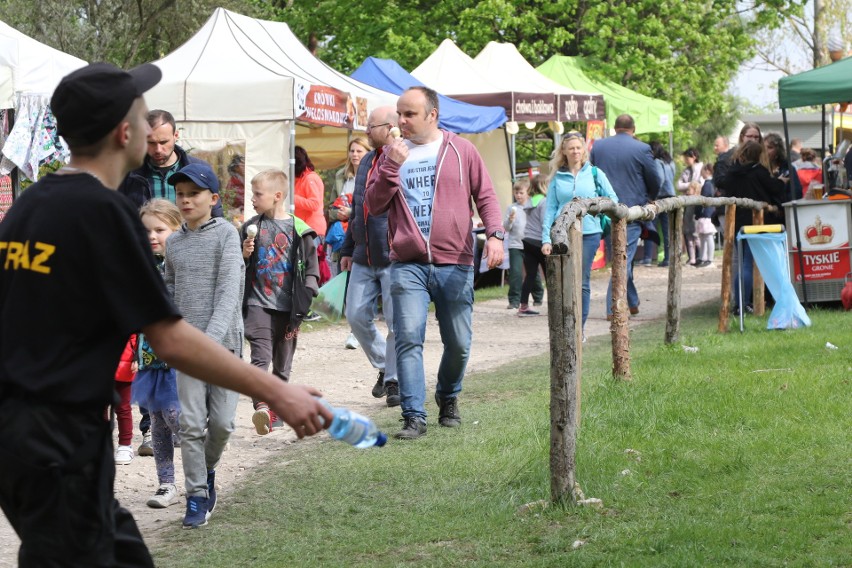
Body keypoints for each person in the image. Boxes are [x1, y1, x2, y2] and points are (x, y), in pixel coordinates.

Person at [0, 62, 331, 567]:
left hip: (23, 433)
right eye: (141, 111)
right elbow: (171, 337)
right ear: (124, 131)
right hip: (57, 437)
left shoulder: (29, 207)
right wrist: (275, 389)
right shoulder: (104, 213)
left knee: (121, 552)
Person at [364, 86, 504, 440]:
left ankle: (448, 396)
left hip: (455, 260)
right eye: (399, 113)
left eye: (409, 114)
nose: (402, 121)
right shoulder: (391, 155)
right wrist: (392, 166)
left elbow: (485, 195)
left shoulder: (461, 150)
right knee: (409, 337)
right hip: (407, 263)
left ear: (432, 115)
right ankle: (413, 416)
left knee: (458, 342)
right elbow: (375, 205)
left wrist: (497, 235)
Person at [163, 162, 243, 529]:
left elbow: (229, 291)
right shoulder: (173, 243)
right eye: (180, 194)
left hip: (223, 346)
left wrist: (209, 341)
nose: (185, 200)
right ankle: (196, 495)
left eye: (193, 194)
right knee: (192, 425)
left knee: (223, 424)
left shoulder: (227, 235)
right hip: (186, 351)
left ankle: (206, 469)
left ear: (212, 198)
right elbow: (170, 290)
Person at [241, 169, 320, 435]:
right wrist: (244, 255)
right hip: (257, 303)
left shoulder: (301, 231)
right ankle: (262, 406)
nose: (253, 198)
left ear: (276, 196)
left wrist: (308, 293)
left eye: (257, 194)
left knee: (282, 365)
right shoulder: (251, 226)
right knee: (260, 357)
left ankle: (276, 413)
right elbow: (238, 266)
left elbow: (312, 269)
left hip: (290, 309)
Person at [340, 106, 400, 407]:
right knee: (355, 315)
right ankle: (384, 366)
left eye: (371, 125)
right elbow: (358, 207)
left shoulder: (403, 157)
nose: (366, 130)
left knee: (395, 322)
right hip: (364, 253)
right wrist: (349, 249)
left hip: (393, 253)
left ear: (388, 127)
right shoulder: (365, 161)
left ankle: (394, 380)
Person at [132, 198, 184, 509]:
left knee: (175, 416)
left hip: (179, 355)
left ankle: (202, 468)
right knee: (158, 423)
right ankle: (166, 484)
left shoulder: (182, 266)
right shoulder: (141, 267)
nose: (152, 236)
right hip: (150, 357)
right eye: (146, 231)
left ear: (177, 229)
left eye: (160, 230)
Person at [541, 131, 618, 332]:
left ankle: (579, 329)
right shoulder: (557, 177)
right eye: (571, 148)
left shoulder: (594, 173)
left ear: (583, 150)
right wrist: (545, 239)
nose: (575, 151)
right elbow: (550, 208)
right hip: (562, 234)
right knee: (563, 280)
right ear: (564, 152)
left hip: (589, 234)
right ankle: (563, 325)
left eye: (578, 147)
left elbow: (612, 199)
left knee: (581, 280)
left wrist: (600, 213)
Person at [589, 114, 662, 320]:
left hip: (605, 210)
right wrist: (650, 198)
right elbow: (654, 178)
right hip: (631, 210)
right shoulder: (642, 148)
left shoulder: (598, 147)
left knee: (621, 257)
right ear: (633, 129)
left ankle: (632, 301)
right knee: (623, 259)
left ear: (614, 128)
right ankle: (613, 308)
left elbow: (591, 175)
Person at [118, 109, 224, 218]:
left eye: (163, 142)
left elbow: (216, 216)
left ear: (176, 135)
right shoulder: (128, 173)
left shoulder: (200, 170)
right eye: (151, 143)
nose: (158, 149)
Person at [721, 140, 786, 312]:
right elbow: (774, 188)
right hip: (755, 222)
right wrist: (780, 180)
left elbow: (724, 187)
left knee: (743, 262)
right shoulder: (759, 171)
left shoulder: (732, 172)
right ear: (759, 155)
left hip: (737, 222)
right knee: (750, 263)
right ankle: (750, 303)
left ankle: (739, 303)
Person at [517, 175, 548, 316]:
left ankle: (523, 306)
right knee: (550, 275)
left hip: (527, 240)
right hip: (539, 242)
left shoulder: (530, 201)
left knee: (530, 275)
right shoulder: (544, 201)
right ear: (544, 185)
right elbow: (544, 222)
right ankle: (555, 305)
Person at [647, 140, 676, 267]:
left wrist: (653, 195)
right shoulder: (670, 162)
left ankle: (648, 257)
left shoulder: (656, 162)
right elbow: (672, 177)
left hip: (660, 197)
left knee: (650, 226)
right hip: (671, 195)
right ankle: (668, 258)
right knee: (667, 229)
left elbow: (659, 179)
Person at [504, 178, 531, 310]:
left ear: (528, 193)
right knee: (515, 273)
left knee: (533, 273)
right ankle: (514, 300)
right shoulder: (511, 208)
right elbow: (506, 228)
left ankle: (538, 296)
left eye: (521, 192)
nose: (518, 195)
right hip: (515, 244)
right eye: (516, 193)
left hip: (530, 244)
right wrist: (510, 220)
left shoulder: (532, 206)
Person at [113, 335, 139, 465]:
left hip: (125, 362)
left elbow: (139, 334)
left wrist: (137, 357)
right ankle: (98, 443)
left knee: (123, 407)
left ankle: (125, 445)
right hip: (97, 362)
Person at [764, 132, 802, 202]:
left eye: (770, 147)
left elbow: (796, 193)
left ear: (778, 150)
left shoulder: (787, 168)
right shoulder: (760, 168)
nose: (765, 151)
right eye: (763, 147)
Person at [695, 163, 717, 268]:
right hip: (706, 213)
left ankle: (709, 259)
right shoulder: (710, 183)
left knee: (708, 236)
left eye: (703, 170)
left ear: (707, 171)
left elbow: (704, 199)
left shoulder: (708, 185)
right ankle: (703, 258)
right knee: (703, 236)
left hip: (707, 213)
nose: (701, 173)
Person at [683, 181, 701, 266]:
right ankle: (692, 258)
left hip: (694, 223)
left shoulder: (697, 200)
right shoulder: (687, 200)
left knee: (697, 239)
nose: (687, 191)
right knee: (689, 241)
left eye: (689, 189)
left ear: (695, 190)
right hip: (687, 223)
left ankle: (701, 257)